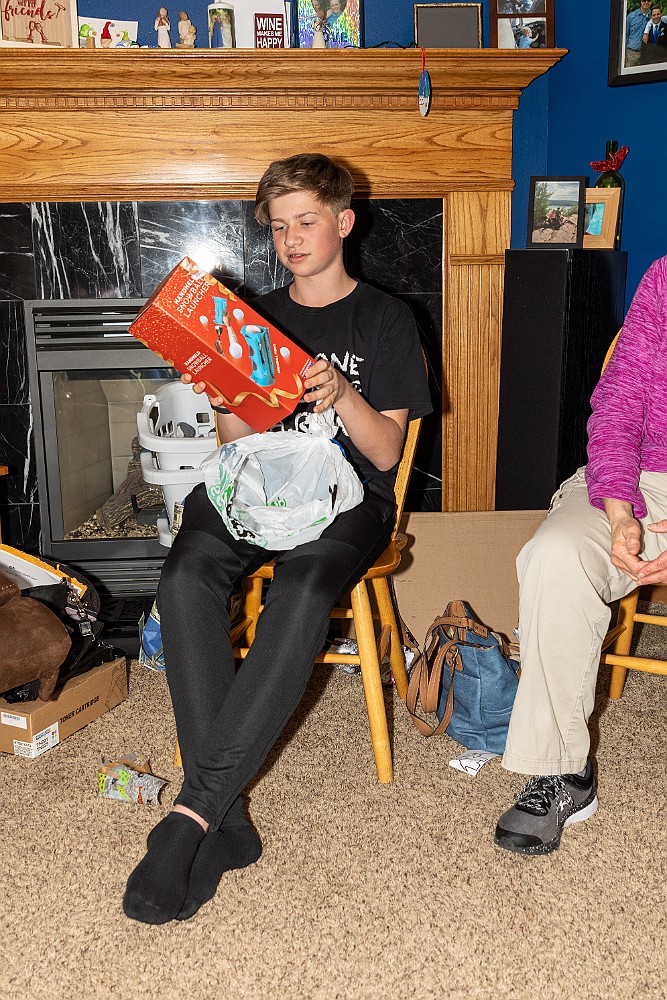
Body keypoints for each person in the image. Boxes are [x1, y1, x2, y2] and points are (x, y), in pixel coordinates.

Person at [122, 153, 432, 923]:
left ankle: (193, 815)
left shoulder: (385, 319)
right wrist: (222, 394)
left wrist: (343, 393)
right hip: (255, 485)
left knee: (301, 587)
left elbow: (385, 455)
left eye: (306, 221)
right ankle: (225, 821)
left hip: (346, 496)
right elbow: (236, 445)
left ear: (343, 222)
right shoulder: (249, 318)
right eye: (278, 226)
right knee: (185, 575)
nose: (291, 239)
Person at [494, 255, 667, 856]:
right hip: (638, 481)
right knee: (556, 554)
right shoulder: (665, 280)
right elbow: (619, 404)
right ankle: (563, 769)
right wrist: (619, 512)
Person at [625, 0, 652, 67]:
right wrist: (623, 54)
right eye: (644, 0)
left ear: (651, 2)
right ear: (641, 1)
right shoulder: (631, 16)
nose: (646, 2)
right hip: (631, 54)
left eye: (648, 0)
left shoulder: (654, 16)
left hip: (646, 55)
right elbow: (625, 35)